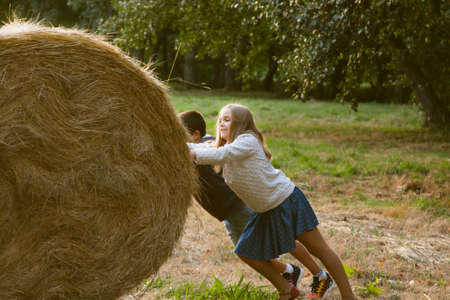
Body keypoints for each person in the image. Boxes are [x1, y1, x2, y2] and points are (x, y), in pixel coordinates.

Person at [188, 104, 356, 300]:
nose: (221, 124)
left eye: (227, 119)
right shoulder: (226, 145)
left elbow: (219, 155)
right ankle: (286, 288)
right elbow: (201, 147)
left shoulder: (247, 141)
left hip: (287, 202)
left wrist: (190, 153)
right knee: (245, 251)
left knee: (319, 249)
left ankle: (348, 296)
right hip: (266, 211)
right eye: (220, 120)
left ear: (241, 123)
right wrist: (172, 143)